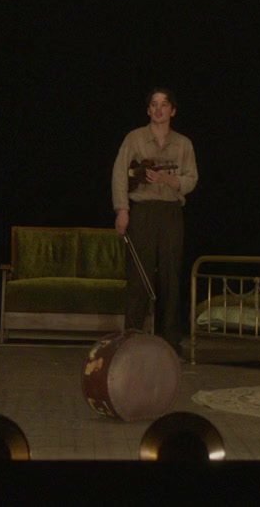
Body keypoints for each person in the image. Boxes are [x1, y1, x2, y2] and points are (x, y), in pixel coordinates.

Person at [111, 88, 198, 353]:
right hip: (142, 210)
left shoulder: (183, 143)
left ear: (173, 110)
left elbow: (191, 179)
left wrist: (168, 179)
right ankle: (132, 339)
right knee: (138, 276)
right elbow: (119, 174)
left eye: (164, 104)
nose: (159, 109)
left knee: (171, 276)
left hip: (170, 212)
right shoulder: (135, 138)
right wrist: (122, 210)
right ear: (148, 110)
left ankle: (170, 340)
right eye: (154, 104)